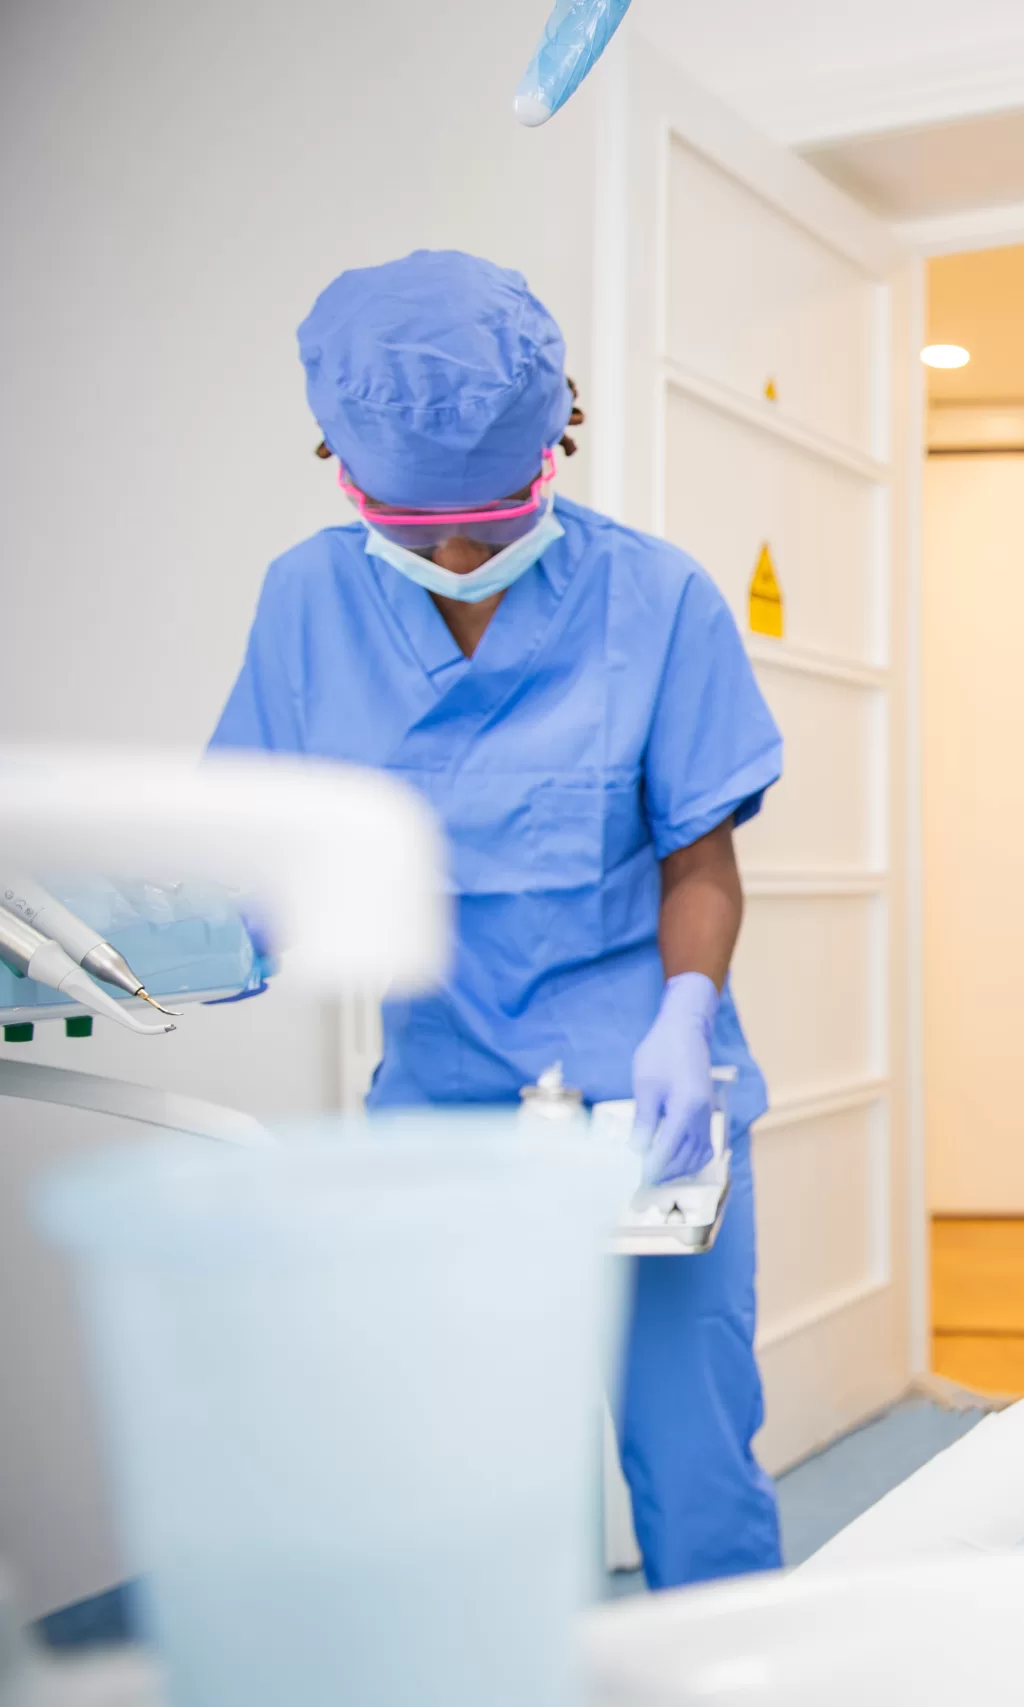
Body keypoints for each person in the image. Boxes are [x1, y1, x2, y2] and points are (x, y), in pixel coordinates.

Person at [210, 250, 786, 1589]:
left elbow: (699, 857)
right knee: (462, 1476)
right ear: (341, 467)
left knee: (696, 1464)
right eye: (421, 527)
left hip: (652, 1101)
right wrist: (209, 934)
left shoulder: (660, 599)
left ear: (560, 432)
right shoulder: (307, 602)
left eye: (494, 512)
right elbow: (258, 849)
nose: (463, 555)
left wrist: (685, 1014)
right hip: (442, 1104)